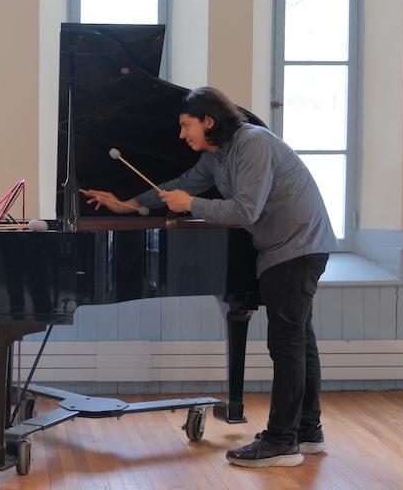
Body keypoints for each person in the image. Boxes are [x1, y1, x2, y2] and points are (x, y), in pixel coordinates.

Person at [84, 86, 337, 468]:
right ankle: (306, 432)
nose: (182, 135)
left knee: (287, 345)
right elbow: (180, 186)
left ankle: (282, 442)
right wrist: (130, 204)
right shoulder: (216, 156)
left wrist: (193, 206)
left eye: (186, 126)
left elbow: (246, 211)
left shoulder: (254, 144)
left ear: (209, 121)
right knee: (300, 342)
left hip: (297, 246)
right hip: (288, 247)